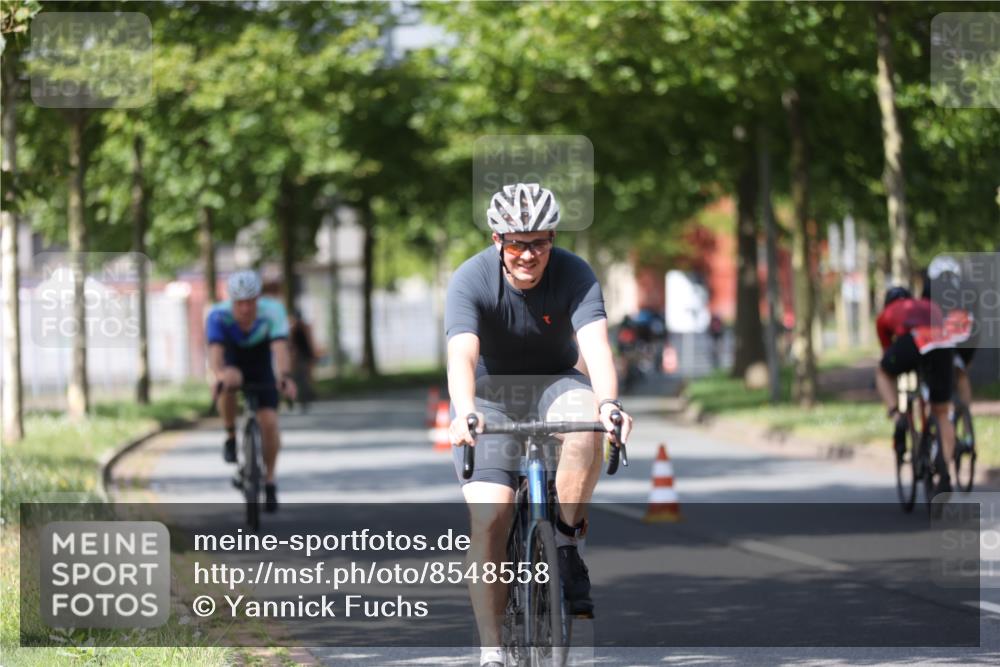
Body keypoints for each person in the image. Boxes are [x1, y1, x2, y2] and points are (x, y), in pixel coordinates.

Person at [445, 183, 634, 667]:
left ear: (553, 238)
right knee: (490, 520)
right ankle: (491, 649)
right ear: (497, 240)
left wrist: (609, 404)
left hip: (555, 382)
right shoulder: (471, 278)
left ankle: (566, 543)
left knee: (586, 419)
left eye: (540, 242)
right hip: (491, 394)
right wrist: (464, 409)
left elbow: (596, 347)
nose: (528, 254)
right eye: (516, 242)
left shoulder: (574, 272)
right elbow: (462, 353)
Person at [206, 270, 297, 512]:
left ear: (258, 298)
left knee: (269, 422)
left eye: (250, 301)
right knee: (229, 380)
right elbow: (215, 352)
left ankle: (269, 480)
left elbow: (279, 347)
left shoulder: (273, 311)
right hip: (233, 360)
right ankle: (230, 436)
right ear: (232, 301)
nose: (245, 308)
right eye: (240, 303)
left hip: (260, 363)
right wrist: (218, 376)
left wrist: (285, 377)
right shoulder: (218, 315)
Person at [874, 285, 971, 494]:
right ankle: (944, 468)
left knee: (883, 373)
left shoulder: (885, 315)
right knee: (942, 411)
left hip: (913, 340)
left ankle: (896, 415)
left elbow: (887, 352)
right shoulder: (929, 304)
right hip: (942, 342)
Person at [922, 255, 978, 406]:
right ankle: (967, 420)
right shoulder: (968, 288)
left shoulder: (930, 287)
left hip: (940, 339)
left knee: (932, 373)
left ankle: (937, 410)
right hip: (965, 337)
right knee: (961, 374)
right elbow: (975, 322)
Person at [289, 309, 318, 412]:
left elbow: (309, 341)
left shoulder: (298, 328)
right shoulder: (300, 327)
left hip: (302, 356)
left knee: (303, 378)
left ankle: (304, 399)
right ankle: (302, 399)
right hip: (301, 356)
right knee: (301, 378)